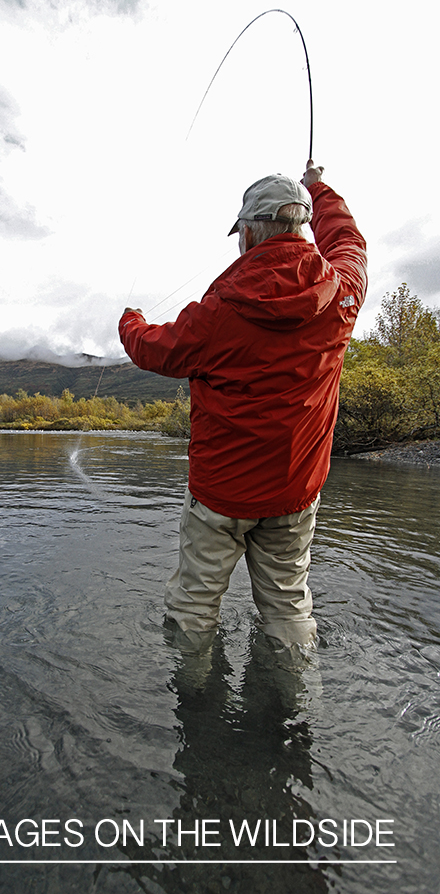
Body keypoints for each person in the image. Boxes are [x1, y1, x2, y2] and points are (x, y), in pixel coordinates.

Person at [118, 160, 367, 650]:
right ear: (299, 224)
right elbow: (348, 240)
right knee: (288, 605)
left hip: (219, 496)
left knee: (194, 605)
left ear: (250, 234)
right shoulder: (343, 293)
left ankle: (194, 708)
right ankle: (296, 711)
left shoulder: (218, 312)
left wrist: (130, 319)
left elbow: (151, 348)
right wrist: (320, 190)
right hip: (295, 492)